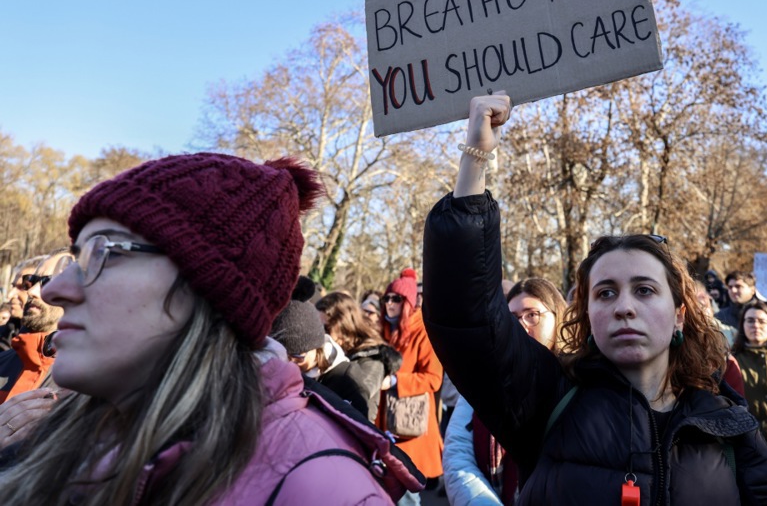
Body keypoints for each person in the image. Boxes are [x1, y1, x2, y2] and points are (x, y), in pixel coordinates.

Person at [423, 93, 767, 505]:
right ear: (587, 313)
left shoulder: (729, 424)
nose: (624, 306)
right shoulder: (545, 397)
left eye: (645, 290)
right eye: (605, 293)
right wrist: (475, 158)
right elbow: (466, 315)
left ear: (679, 315)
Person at [0, 153, 422, 505]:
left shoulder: (322, 488)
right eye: (76, 257)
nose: (55, 289)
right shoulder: (66, 440)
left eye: (103, 253)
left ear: (206, 291)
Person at [443, 277, 566, 506]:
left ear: (557, 316)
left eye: (532, 315)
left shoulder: (578, 382)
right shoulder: (482, 380)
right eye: (512, 318)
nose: (520, 326)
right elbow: (458, 453)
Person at [379, 273, 444, 505]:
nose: (389, 303)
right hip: (386, 424)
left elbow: (433, 379)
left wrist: (397, 381)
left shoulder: (424, 331)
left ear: (407, 302)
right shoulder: (385, 331)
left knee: (407, 495)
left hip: (410, 425)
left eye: (396, 299)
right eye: (386, 298)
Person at [320, 291, 402, 424]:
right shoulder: (333, 349)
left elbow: (356, 394)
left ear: (343, 325)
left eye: (326, 328)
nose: (321, 335)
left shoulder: (373, 359)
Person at [0, 251, 68, 403]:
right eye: (30, 281)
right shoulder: (3, 363)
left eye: (48, 282)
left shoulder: (93, 383)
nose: (31, 291)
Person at [731, 301, 767, 444]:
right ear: (742, 325)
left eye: (762, 321)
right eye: (750, 321)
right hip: (745, 440)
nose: (756, 325)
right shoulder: (731, 362)